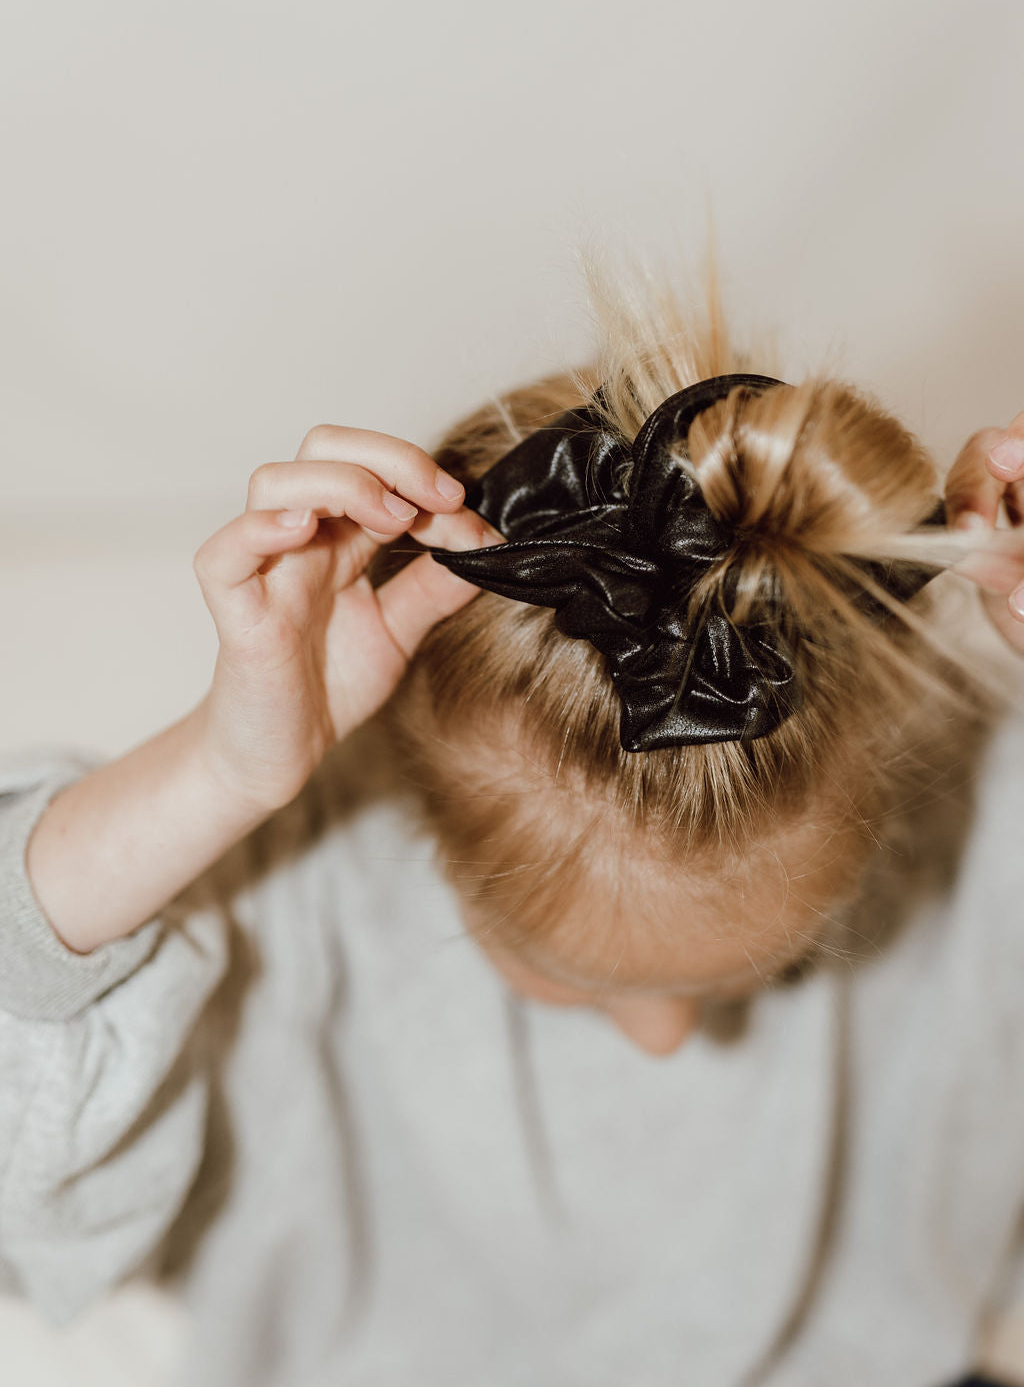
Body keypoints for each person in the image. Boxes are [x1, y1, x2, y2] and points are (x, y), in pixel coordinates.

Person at [1, 264, 1023, 1387]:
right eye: (572, 977)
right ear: (418, 819)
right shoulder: (295, 881)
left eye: (759, 977)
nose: (668, 1039)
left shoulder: (960, 806)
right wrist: (217, 774)